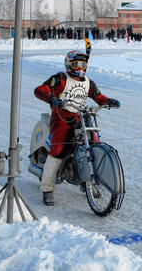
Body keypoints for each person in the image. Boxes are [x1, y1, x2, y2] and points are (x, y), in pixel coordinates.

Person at [34, 50, 121, 206]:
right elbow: (40, 90)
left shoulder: (88, 83)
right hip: (61, 118)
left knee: (92, 145)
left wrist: (109, 101)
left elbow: (99, 98)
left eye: (83, 64)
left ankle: (87, 181)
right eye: (77, 64)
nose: (80, 68)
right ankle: (47, 189)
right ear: (69, 65)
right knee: (58, 150)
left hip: (81, 118)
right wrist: (52, 99)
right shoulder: (60, 79)